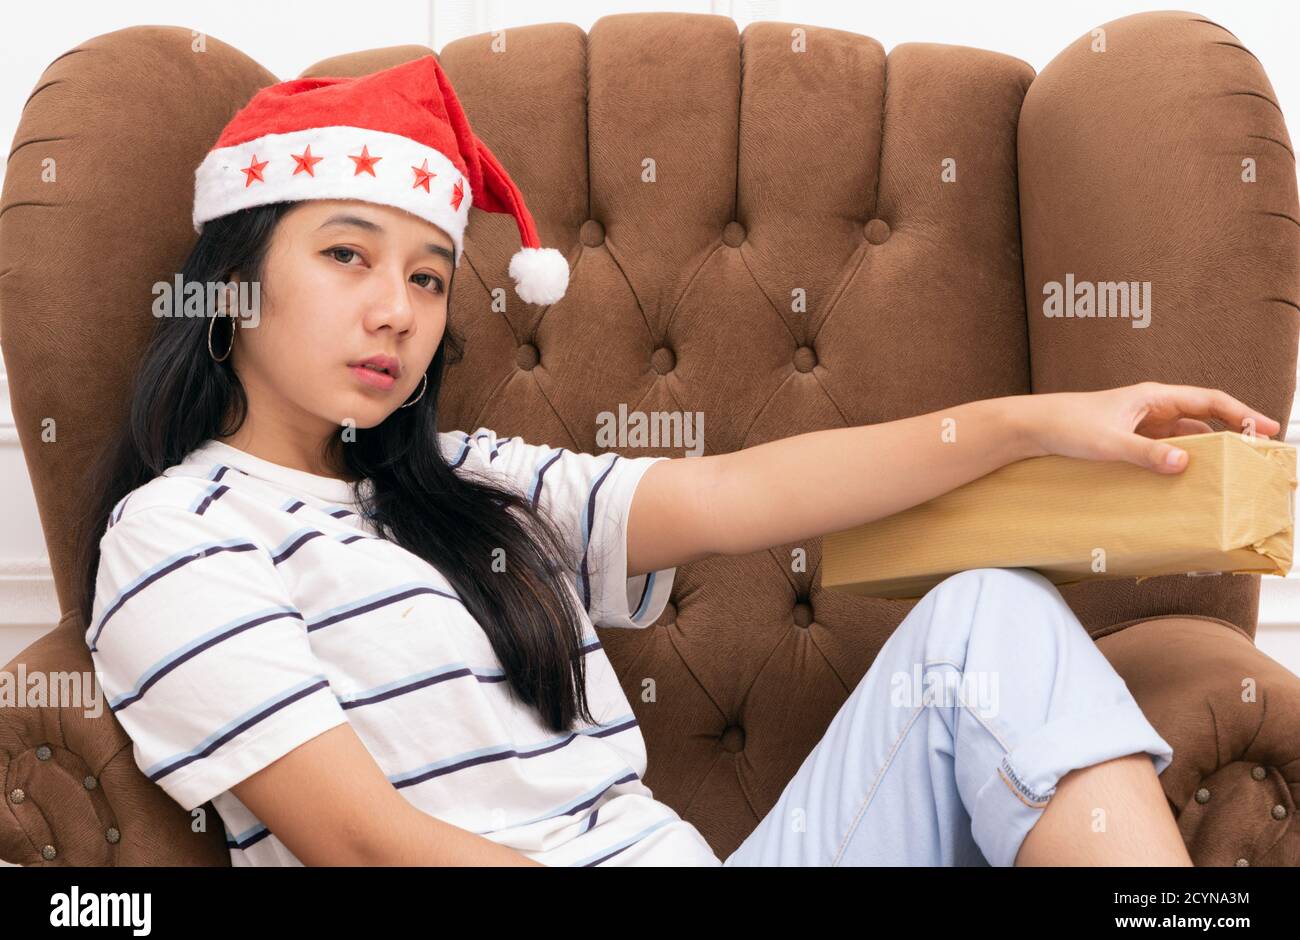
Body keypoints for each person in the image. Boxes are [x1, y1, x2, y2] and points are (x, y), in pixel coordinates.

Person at [77, 55, 1281, 867]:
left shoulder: (466, 485)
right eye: (347, 255)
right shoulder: (177, 534)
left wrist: (1043, 420)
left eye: (429, 276)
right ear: (233, 283)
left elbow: (737, 491)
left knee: (989, 617)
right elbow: (360, 843)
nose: (396, 309)